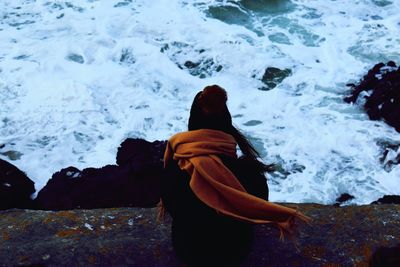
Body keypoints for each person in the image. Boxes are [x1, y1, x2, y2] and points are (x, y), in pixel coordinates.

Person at [160, 85, 310, 267]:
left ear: (192, 122)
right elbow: (256, 210)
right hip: (235, 253)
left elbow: (173, 207)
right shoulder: (249, 171)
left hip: (189, 252)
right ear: (226, 122)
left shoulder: (175, 166)